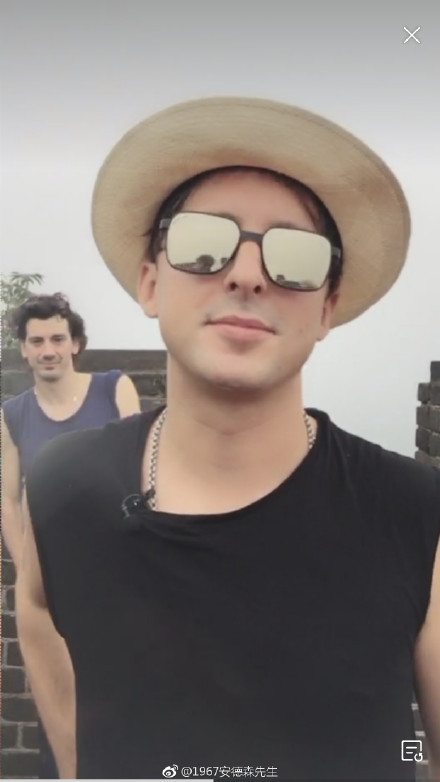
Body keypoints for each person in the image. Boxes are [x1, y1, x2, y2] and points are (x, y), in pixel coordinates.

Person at [15, 98, 440, 781]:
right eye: (202, 244)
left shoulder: (412, 512)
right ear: (150, 283)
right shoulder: (65, 486)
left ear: (327, 307)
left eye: (294, 256)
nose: (247, 275)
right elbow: (38, 614)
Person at [2, 291, 141, 778]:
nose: (48, 350)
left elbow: (136, 476)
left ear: (75, 343)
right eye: (37, 341)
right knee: (58, 716)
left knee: (122, 703)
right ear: (24, 349)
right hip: (52, 590)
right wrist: (29, 574)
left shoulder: (114, 388)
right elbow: (8, 498)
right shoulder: (14, 414)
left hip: (116, 578)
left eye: (58, 339)